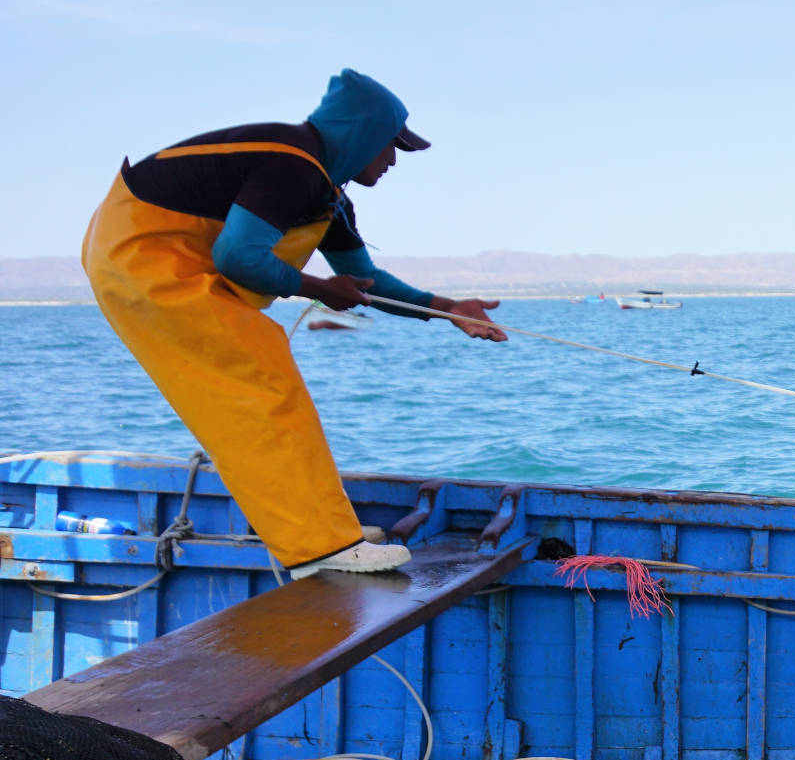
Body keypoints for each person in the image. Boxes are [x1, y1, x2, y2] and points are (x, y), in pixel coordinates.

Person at [81, 70, 506, 579]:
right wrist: (320, 290)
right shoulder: (293, 163)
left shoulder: (324, 191)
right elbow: (238, 257)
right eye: (390, 147)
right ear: (361, 135)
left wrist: (447, 307)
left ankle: (320, 531)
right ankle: (319, 547)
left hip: (150, 259)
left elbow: (364, 279)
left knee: (268, 389)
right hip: (142, 260)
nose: (393, 161)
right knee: (262, 388)